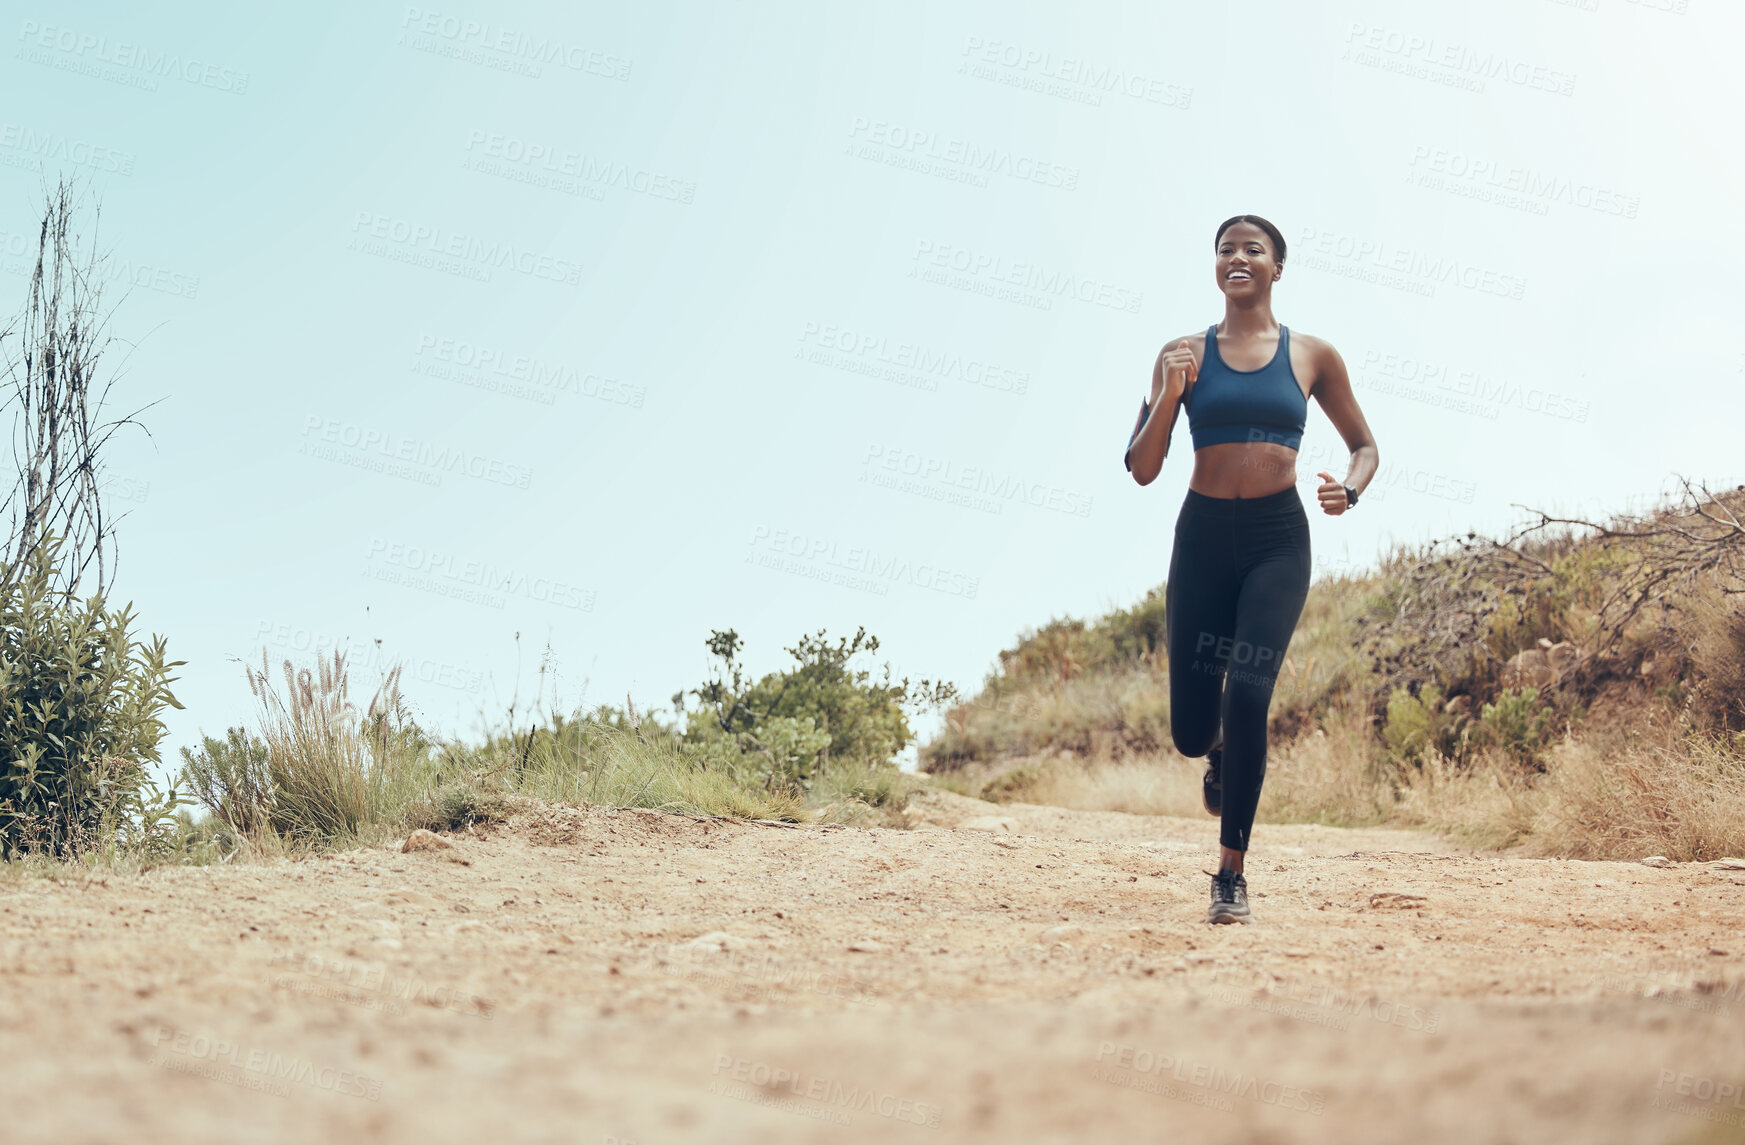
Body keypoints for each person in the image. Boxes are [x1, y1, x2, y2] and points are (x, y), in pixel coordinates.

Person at [1123, 214, 1378, 924]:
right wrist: (1169, 394)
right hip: (1202, 538)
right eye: (1226, 249)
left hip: (1275, 540)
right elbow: (1142, 468)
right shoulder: (1179, 353)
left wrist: (1349, 489)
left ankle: (1229, 872)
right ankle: (1215, 753)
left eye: (1252, 249)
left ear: (1276, 268)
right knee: (1188, 730)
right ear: (1215, 266)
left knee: (1249, 694)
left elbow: (1364, 445)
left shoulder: (1311, 355)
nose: (1237, 257)